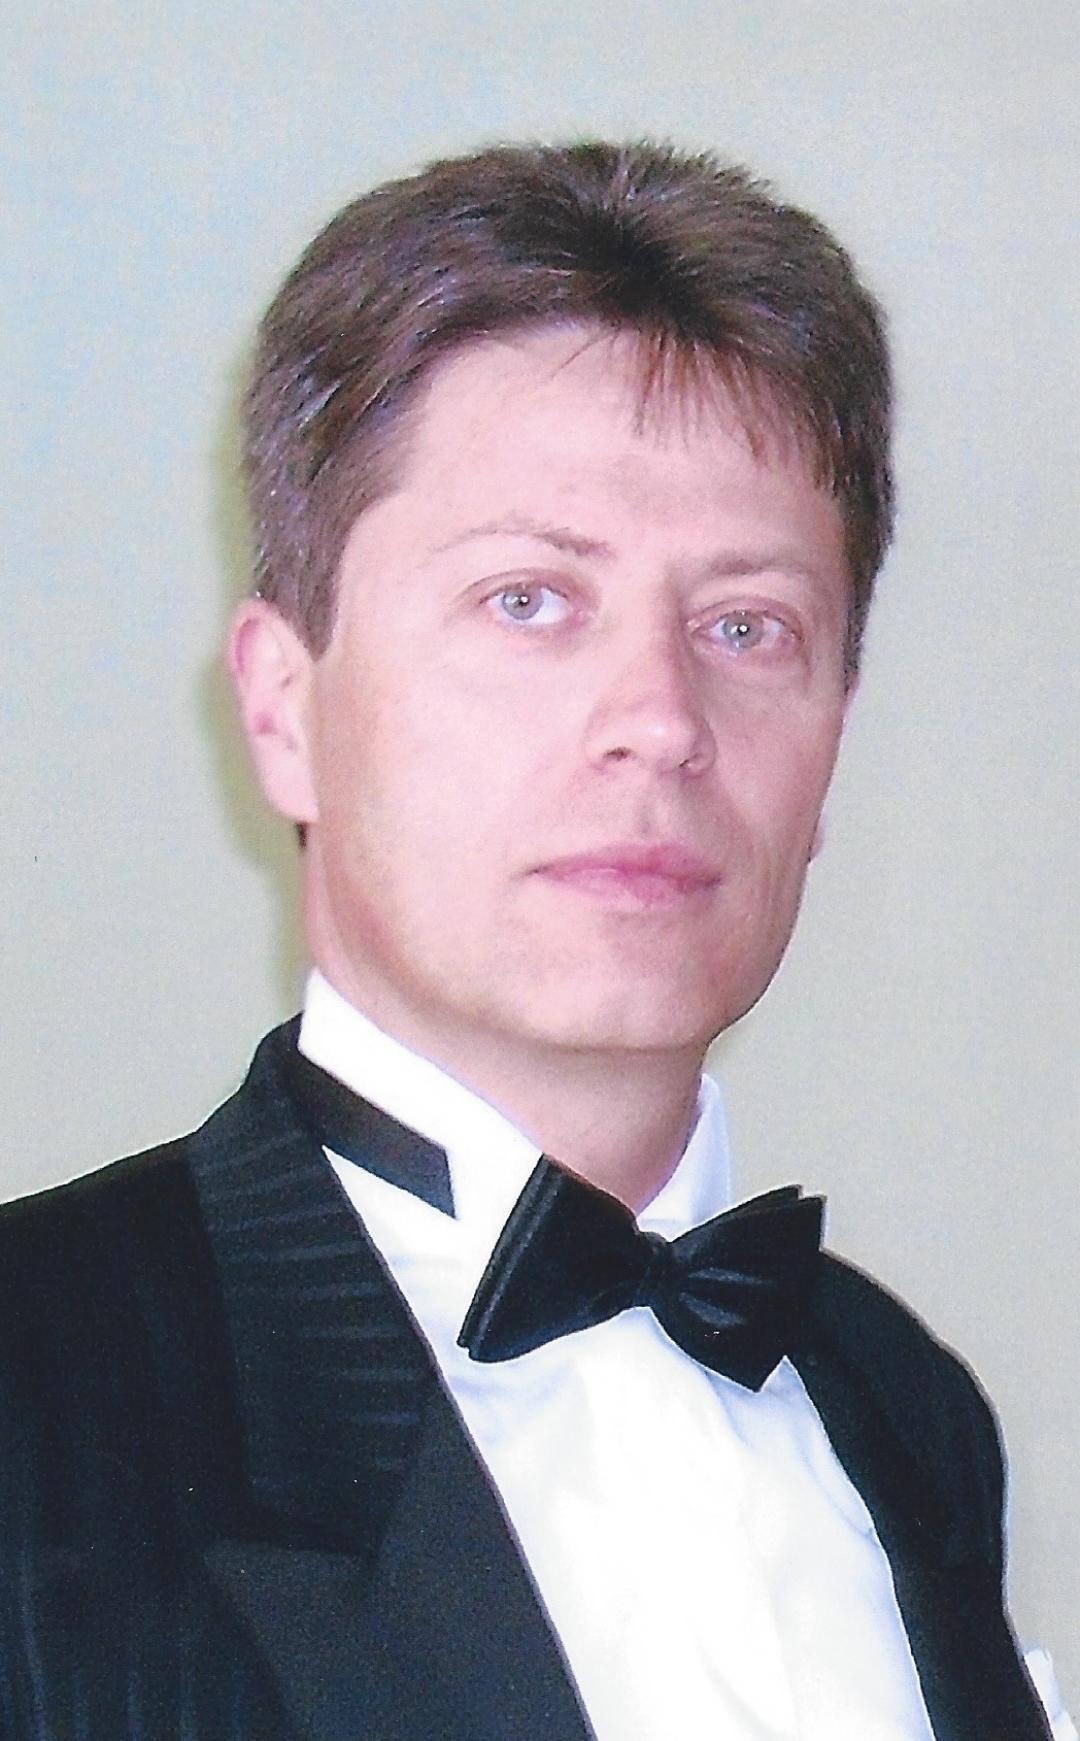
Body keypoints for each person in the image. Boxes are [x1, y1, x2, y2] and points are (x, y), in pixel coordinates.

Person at [0, 140, 1067, 1741]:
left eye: (748, 625)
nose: (660, 717)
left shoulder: (909, 1403)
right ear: (284, 708)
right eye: (529, 599)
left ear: (832, 742)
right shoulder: (34, 1383)